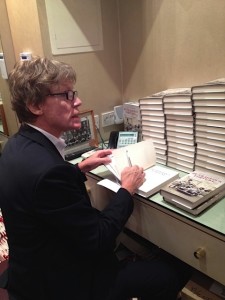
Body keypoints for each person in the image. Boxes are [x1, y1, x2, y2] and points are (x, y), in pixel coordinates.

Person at [0, 57, 192, 300]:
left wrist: (78, 168)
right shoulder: (48, 172)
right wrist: (126, 190)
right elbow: (99, 238)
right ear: (35, 105)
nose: (78, 101)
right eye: (67, 95)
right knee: (172, 272)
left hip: (32, 272)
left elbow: (40, 188)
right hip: (67, 285)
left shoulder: (16, 146)